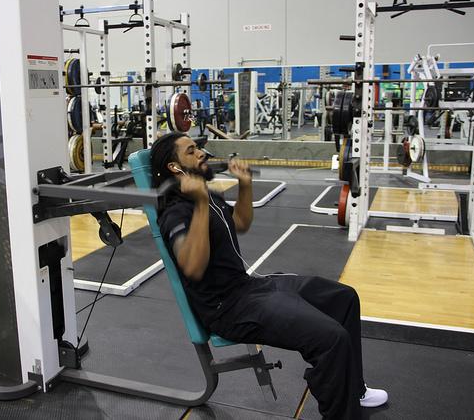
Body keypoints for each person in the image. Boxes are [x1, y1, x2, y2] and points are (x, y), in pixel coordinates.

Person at [150, 132, 388, 420]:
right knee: (330, 339)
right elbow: (193, 267)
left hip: (250, 286)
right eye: (191, 151)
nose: (201, 153)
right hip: (229, 309)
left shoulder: (207, 195)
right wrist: (200, 204)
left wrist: (245, 185)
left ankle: (354, 389)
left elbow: (240, 222)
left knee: (344, 298)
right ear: (175, 168)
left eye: (198, 147)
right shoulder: (176, 212)